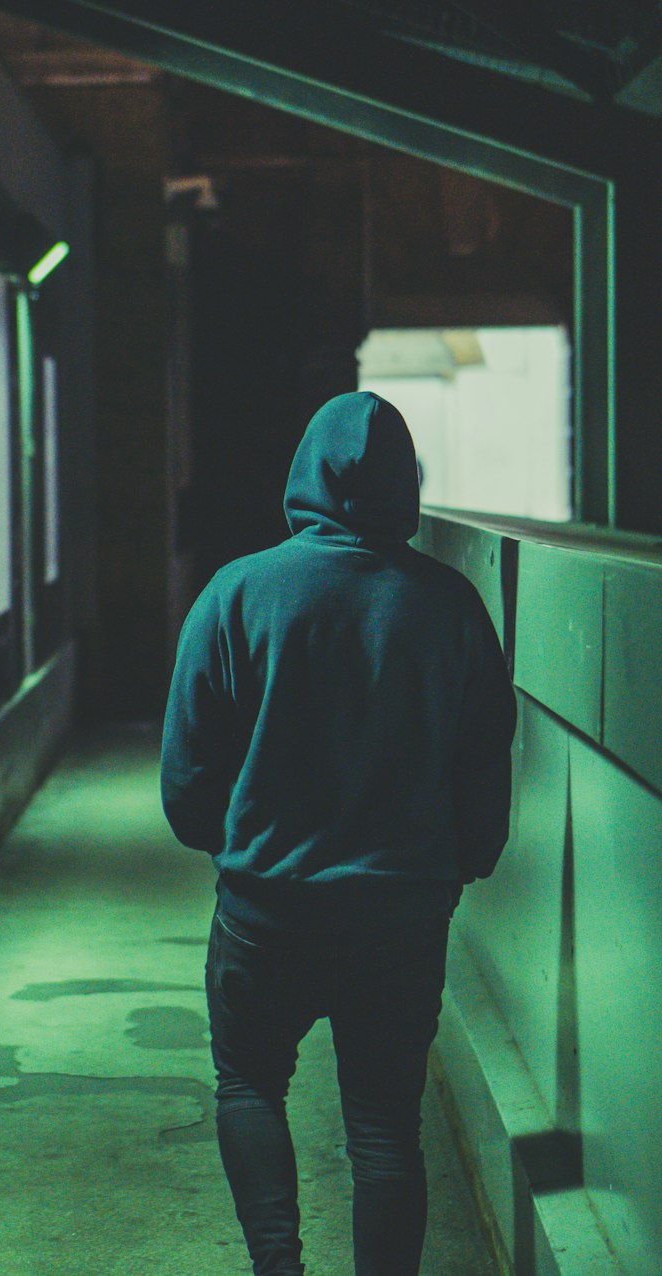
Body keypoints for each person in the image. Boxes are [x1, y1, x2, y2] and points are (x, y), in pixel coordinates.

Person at [160, 390, 517, 1276]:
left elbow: (187, 781)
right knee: (386, 1128)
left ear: (305, 475)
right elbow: (485, 763)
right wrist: (462, 862)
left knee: (250, 1085)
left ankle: (278, 1265)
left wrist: (231, 845)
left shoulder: (236, 595)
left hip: (266, 912)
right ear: (408, 486)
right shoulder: (452, 606)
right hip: (400, 918)